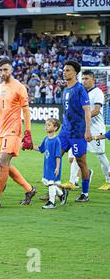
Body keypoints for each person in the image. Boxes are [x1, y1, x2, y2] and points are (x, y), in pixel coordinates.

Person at [0, 58, 37, 214]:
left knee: (3, 162)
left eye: (5, 69)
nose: (2, 73)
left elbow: (26, 111)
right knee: (5, 165)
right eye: (0, 70)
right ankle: (29, 189)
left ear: (11, 70)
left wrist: (28, 132)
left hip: (13, 130)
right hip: (1, 131)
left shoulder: (19, 87)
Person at [63, 70, 110, 191]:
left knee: (100, 155)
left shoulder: (97, 92)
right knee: (76, 154)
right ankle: (72, 181)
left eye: (87, 79)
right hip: (81, 128)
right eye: (83, 79)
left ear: (93, 80)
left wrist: (81, 118)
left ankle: (108, 180)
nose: (84, 81)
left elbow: (96, 110)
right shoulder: (80, 91)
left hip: (96, 129)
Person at [57, 61, 93, 202]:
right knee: (55, 156)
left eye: (68, 70)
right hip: (65, 131)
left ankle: (85, 194)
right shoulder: (65, 89)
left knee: (81, 161)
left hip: (78, 132)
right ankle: (55, 190)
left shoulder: (80, 89)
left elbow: (87, 111)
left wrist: (87, 131)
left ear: (75, 73)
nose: (65, 72)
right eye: (64, 70)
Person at [30, 118, 68, 209]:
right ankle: (62, 193)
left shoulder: (57, 141)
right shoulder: (46, 139)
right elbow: (41, 149)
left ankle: (52, 202)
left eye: (49, 125)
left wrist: (57, 168)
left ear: (55, 128)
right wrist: (30, 146)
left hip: (54, 166)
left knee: (51, 183)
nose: (46, 127)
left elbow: (58, 156)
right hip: (47, 165)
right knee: (46, 182)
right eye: (46, 125)